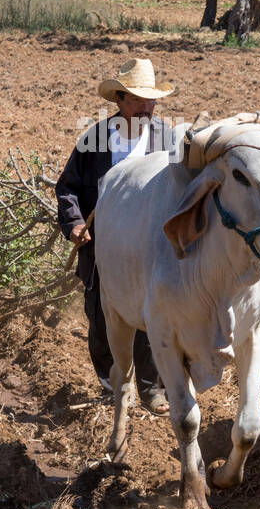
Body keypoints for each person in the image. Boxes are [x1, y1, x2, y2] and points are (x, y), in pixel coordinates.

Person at [56, 59, 174, 415]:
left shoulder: (167, 139)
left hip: (151, 244)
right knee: (101, 316)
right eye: (137, 99)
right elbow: (68, 187)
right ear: (119, 100)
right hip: (102, 245)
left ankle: (153, 390)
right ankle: (112, 382)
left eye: (150, 100)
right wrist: (75, 224)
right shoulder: (95, 139)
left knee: (151, 318)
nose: (146, 107)